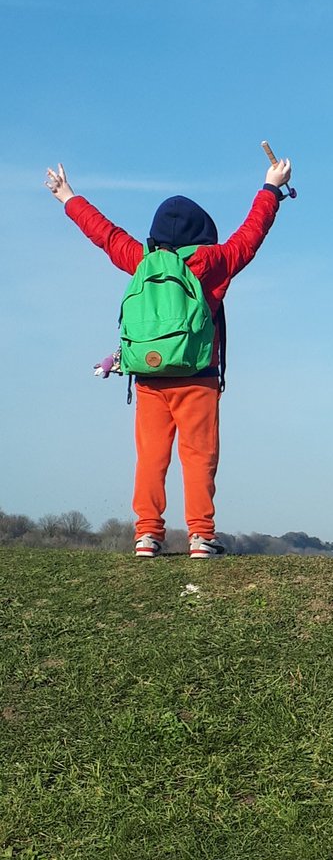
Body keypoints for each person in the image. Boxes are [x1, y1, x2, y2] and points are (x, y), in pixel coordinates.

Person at [44, 154, 293, 559]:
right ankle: (200, 537)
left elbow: (106, 234)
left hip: (149, 376)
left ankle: (147, 536)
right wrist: (271, 187)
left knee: (151, 458)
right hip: (198, 377)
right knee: (198, 458)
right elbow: (251, 234)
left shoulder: (144, 263)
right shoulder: (213, 263)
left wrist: (67, 196)